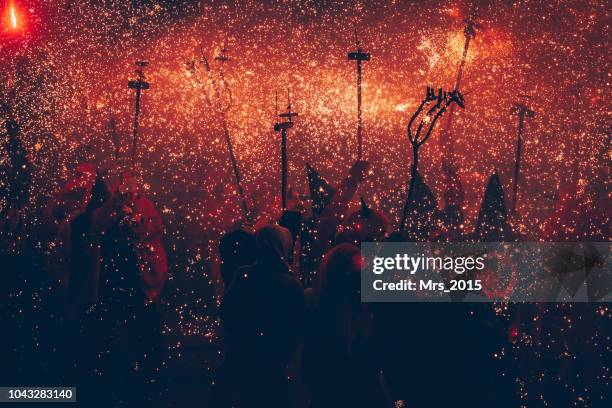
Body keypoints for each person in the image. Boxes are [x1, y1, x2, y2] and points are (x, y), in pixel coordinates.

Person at [215, 225, 307, 408]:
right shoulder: (289, 284)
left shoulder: (244, 275)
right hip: (274, 361)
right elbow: (300, 323)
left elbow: (226, 309)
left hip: (246, 356)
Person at [303, 243, 391, 407]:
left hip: (332, 390)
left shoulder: (316, 303)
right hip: (357, 390)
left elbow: (309, 369)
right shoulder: (364, 307)